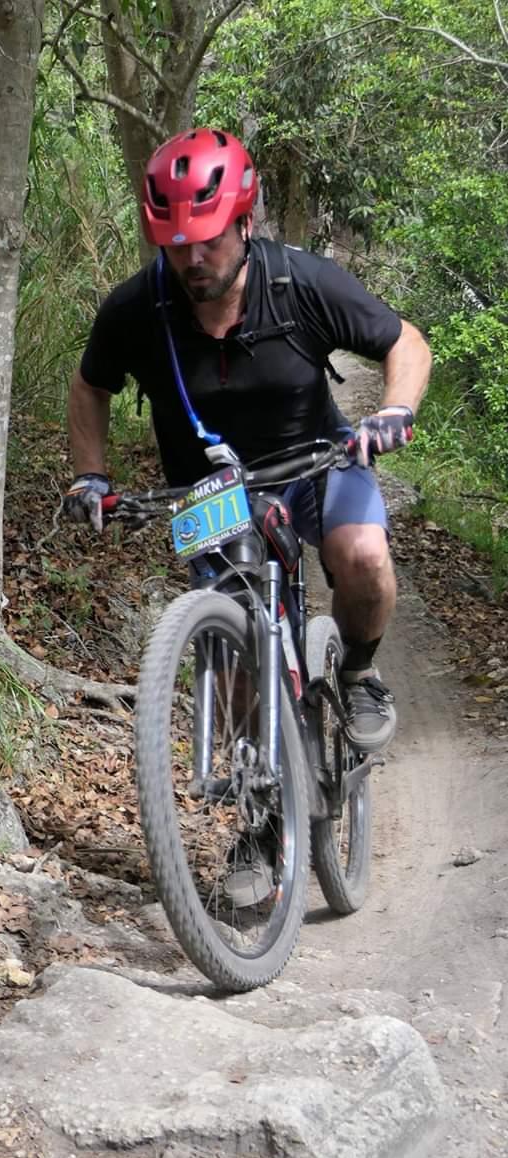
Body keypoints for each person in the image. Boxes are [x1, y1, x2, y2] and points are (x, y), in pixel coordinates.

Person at [64, 127, 432, 752]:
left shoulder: (302, 284)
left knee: (364, 556)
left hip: (318, 463)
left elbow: (406, 341)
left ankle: (358, 672)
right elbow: (89, 385)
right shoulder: (136, 310)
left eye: (207, 240)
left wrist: (393, 409)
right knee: (229, 660)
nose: (192, 260)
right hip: (212, 491)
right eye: (176, 246)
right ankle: (260, 820)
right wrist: (90, 475)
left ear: (244, 223)